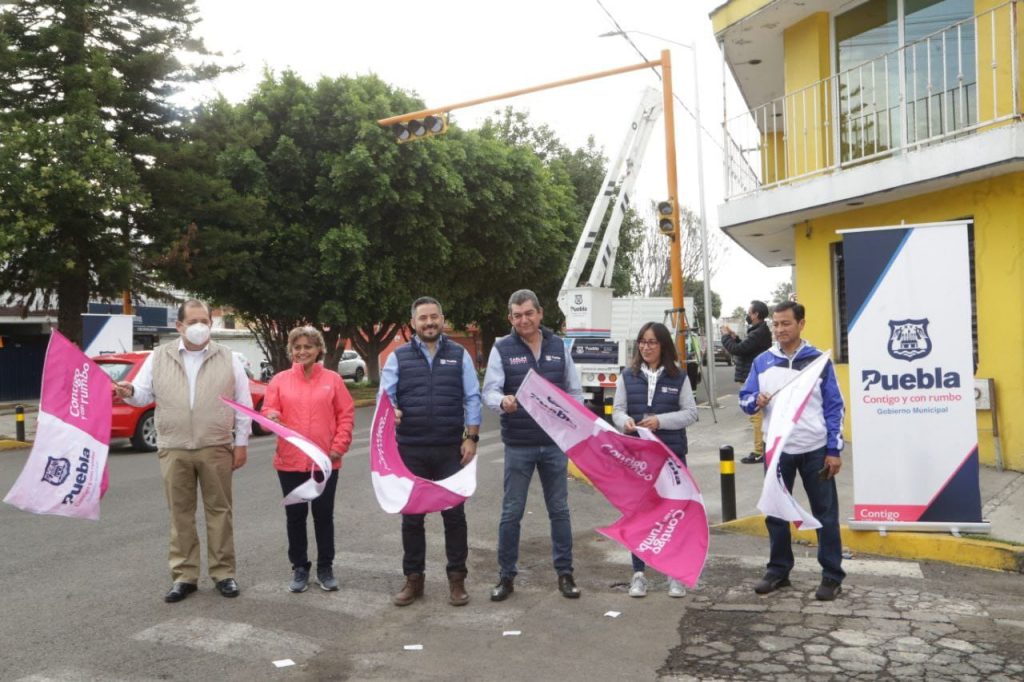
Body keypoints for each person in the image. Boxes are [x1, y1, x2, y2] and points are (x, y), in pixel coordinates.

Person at [114, 299, 252, 602]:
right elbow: (142, 394)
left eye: (204, 321)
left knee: (219, 511)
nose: (199, 327)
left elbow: (244, 404)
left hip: (216, 445)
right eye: (193, 322)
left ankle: (224, 573)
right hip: (174, 447)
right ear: (179, 326)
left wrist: (241, 443)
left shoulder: (228, 358)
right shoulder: (158, 357)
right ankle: (184, 576)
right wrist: (129, 392)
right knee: (180, 514)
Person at [483, 289, 586, 601]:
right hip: (519, 444)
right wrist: (502, 401)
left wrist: (574, 425)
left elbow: (574, 391)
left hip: (554, 445)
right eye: (517, 316)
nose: (523, 320)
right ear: (510, 318)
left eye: (529, 313)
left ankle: (565, 574)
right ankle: (506, 577)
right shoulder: (501, 348)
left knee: (560, 510)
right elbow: (489, 391)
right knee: (511, 512)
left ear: (540, 313)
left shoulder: (558, 346)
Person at [739, 301, 846, 601]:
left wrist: (834, 449)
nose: (779, 329)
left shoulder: (818, 361)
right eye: (775, 324)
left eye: (786, 323)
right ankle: (778, 571)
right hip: (777, 450)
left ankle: (832, 576)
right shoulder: (762, 361)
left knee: (825, 513)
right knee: (775, 512)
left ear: (801, 324)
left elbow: (835, 407)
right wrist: (755, 401)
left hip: (815, 449)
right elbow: (744, 399)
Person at [379, 296, 481, 607]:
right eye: (423, 318)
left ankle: (457, 580)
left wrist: (472, 438)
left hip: (451, 449)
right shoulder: (398, 357)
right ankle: (414, 580)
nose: (429, 323)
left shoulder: (459, 354)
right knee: (412, 518)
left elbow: (472, 397)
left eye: (434, 317)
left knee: (454, 516)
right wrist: (393, 411)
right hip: (410, 450)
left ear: (442, 319)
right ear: (413, 323)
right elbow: (386, 397)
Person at [262, 326, 354, 594]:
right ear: (291, 350)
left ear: (318, 350)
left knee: (323, 516)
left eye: (308, 347)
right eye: (297, 347)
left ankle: (326, 568)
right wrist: (270, 417)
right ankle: (300, 567)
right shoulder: (279, 380)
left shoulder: (333, 380)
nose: (302, 352)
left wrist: (338, 446)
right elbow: (267, 412)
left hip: (325, 462)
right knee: (295, 517)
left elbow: (346, 414)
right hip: (290, 462)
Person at [612, 322, 698, 598]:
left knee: (673, 515)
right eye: (642, 341)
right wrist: (625, 422)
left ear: (663, 345)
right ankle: (639, 574)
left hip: (671, 457)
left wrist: (661, 421)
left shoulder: (679, 376)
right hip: (638, 458)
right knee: (639, 516)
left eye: (651, 342)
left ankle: (675, 574)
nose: (645, 347)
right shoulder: (628, 376)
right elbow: (617, 410)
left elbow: (691, 413)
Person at [721, 299, 773, 464]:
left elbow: (738, 350)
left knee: (756, 416)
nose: (747, 315)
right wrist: (734, 337)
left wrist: (725, 337)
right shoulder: (758, 331)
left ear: (756, 314)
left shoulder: (759, 333)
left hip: (753, 379)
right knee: (756, 416)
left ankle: (759, 451)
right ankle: (761, 449)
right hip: (753, 377)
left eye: (749, 313)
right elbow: (745, 348)